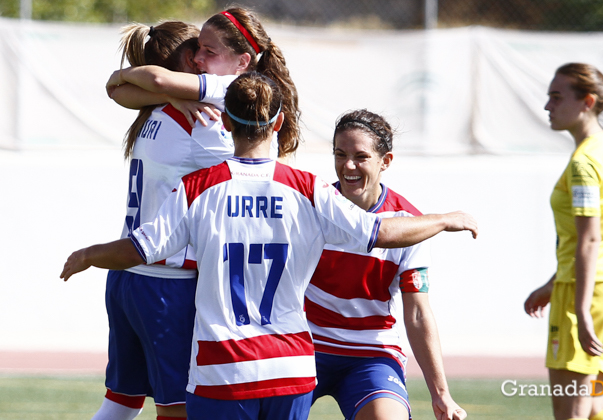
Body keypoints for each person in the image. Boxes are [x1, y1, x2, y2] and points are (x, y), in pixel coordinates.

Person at [61, 72, 478, 420]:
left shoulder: (198, 187)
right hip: (291, 367)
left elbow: (139, 249)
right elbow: (381, 233)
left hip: (222, 369)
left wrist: (88, 255)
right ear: (278, 124)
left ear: (225, 121)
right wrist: (444, 219)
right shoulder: (309, 189)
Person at [91, 20, 233, 420]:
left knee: (120, 402)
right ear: (187, 60)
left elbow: (116, 88)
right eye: (203, 52)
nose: (209, 61)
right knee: (178, 409)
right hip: (167, 283)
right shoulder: (203, 122)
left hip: (126, 276)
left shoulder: (153, 109)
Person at [305, 109, 468, 420]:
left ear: (386, 161)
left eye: (361, 156)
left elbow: (418, 313)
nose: (348, 166)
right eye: (340, 154)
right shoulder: (312, 208)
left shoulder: (410, 223)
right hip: (305, 346)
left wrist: (441, 395)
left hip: (371, 354)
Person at [524, 63, 603, 420]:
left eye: (556, 97)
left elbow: (589, 240)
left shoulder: (584, 161)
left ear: (587, 101)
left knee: (570, 414)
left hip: (591, 294)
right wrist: (552, 283)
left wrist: (582, 309)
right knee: (595, 407)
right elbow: (598, 236)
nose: (547, 106)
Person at [106, 7, 300, 160]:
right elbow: (119, 93)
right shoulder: (234, 86)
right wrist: (169, 97)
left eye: (210, 51)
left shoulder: (232, 85)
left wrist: (120, 73)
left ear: (242, 62)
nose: (198, 57)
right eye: (198, 47)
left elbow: (157, 80)